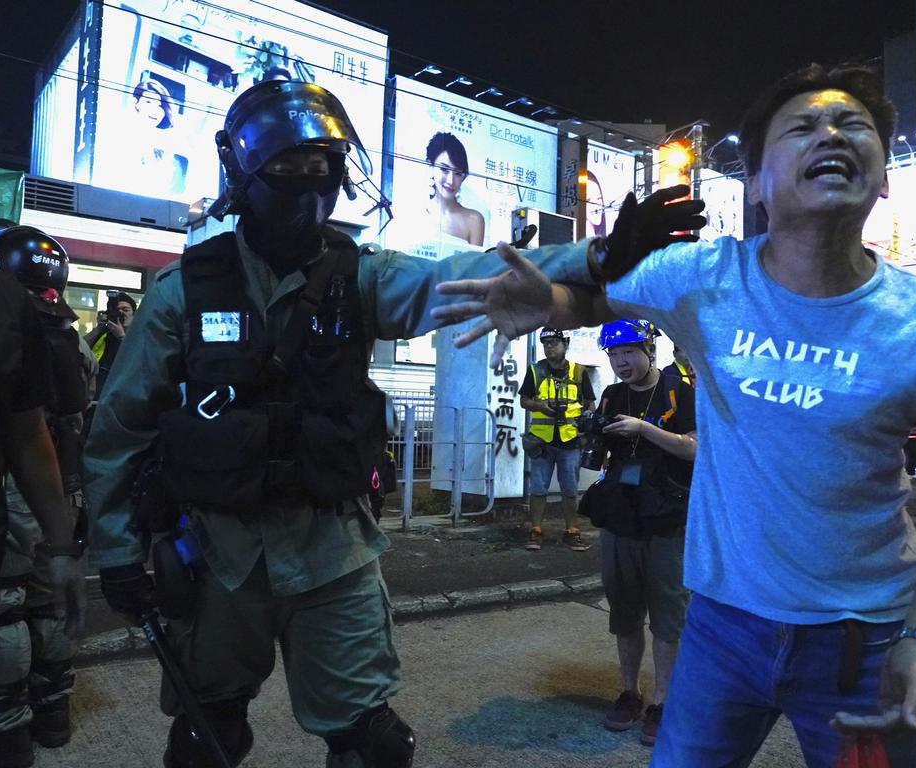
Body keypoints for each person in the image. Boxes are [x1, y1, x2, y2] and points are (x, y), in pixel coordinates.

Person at [82, 80, 701, 768]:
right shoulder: (184, 293)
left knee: (373, 747)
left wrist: (596, 257)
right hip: (219, 555)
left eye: (321, 169)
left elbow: (466, 278)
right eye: (286, 168)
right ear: (243, 172)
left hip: (333, 554)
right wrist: (116, 551)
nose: (306, 187)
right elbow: (120, 430)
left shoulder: (362, 278)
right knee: (205, 737)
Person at [433, 62, 916, 768]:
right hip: (720, 633)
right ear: (759, 183)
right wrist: (549, 304)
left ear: (884, 173)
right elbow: (592, 300)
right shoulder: (705, 277)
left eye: (852, 125)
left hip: (864, 643)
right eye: (803, 127)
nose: (831, 133)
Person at [0, 226, 96, 766]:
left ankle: (6, 722)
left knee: (5, 607)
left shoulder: (4, 317)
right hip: (63, 482)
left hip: (14, 484)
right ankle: (53, 711)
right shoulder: (68, 331)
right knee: (49, 602)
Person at [588, 319, 695, 747]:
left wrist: (644, 429)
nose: (621, 361)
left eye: (629, 351)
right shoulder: (612, 394)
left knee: (668, 614)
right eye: (614, 354)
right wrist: (593, 432)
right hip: (621, 514)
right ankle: (630, 692)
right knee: (624, 608)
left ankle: (664, 702)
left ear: (649, 349)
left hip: (665, 517)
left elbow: (695, 446)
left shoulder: (678, 391)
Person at [518, 327, 595, 551]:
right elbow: (524, 400)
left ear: (565, 344)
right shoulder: (535, 370)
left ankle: (572, 531)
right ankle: (536, 531)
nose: (549, 346)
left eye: (554, 342)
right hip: (541, 443)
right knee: (538, 489)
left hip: (570, 442)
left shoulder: (579, 372)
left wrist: (585, 427)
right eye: (546, 343)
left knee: (570, 490)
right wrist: (539, 405)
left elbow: (590, 403)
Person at [425, 131, 485, 247]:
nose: (451, 181)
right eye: (444, 169)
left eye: (458, 173)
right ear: (430, 166)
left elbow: (475, 264)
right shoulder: (416, 212)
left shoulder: (474, 220)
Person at [129, 79, 187, 197]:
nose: (154, 110)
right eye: (148, 102)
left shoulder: (168, 153)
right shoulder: (122, 137)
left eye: (160, 105)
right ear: (136, 103)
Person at [84, 290, 136, 399]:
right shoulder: (103, 335)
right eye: (117, 310)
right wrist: (99, 329)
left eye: (125, 310)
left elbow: (137, 363)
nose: (121, 313)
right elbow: (78, 348)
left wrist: (121, 336)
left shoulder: (139, 337)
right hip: (93, 397)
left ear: (134, 315)